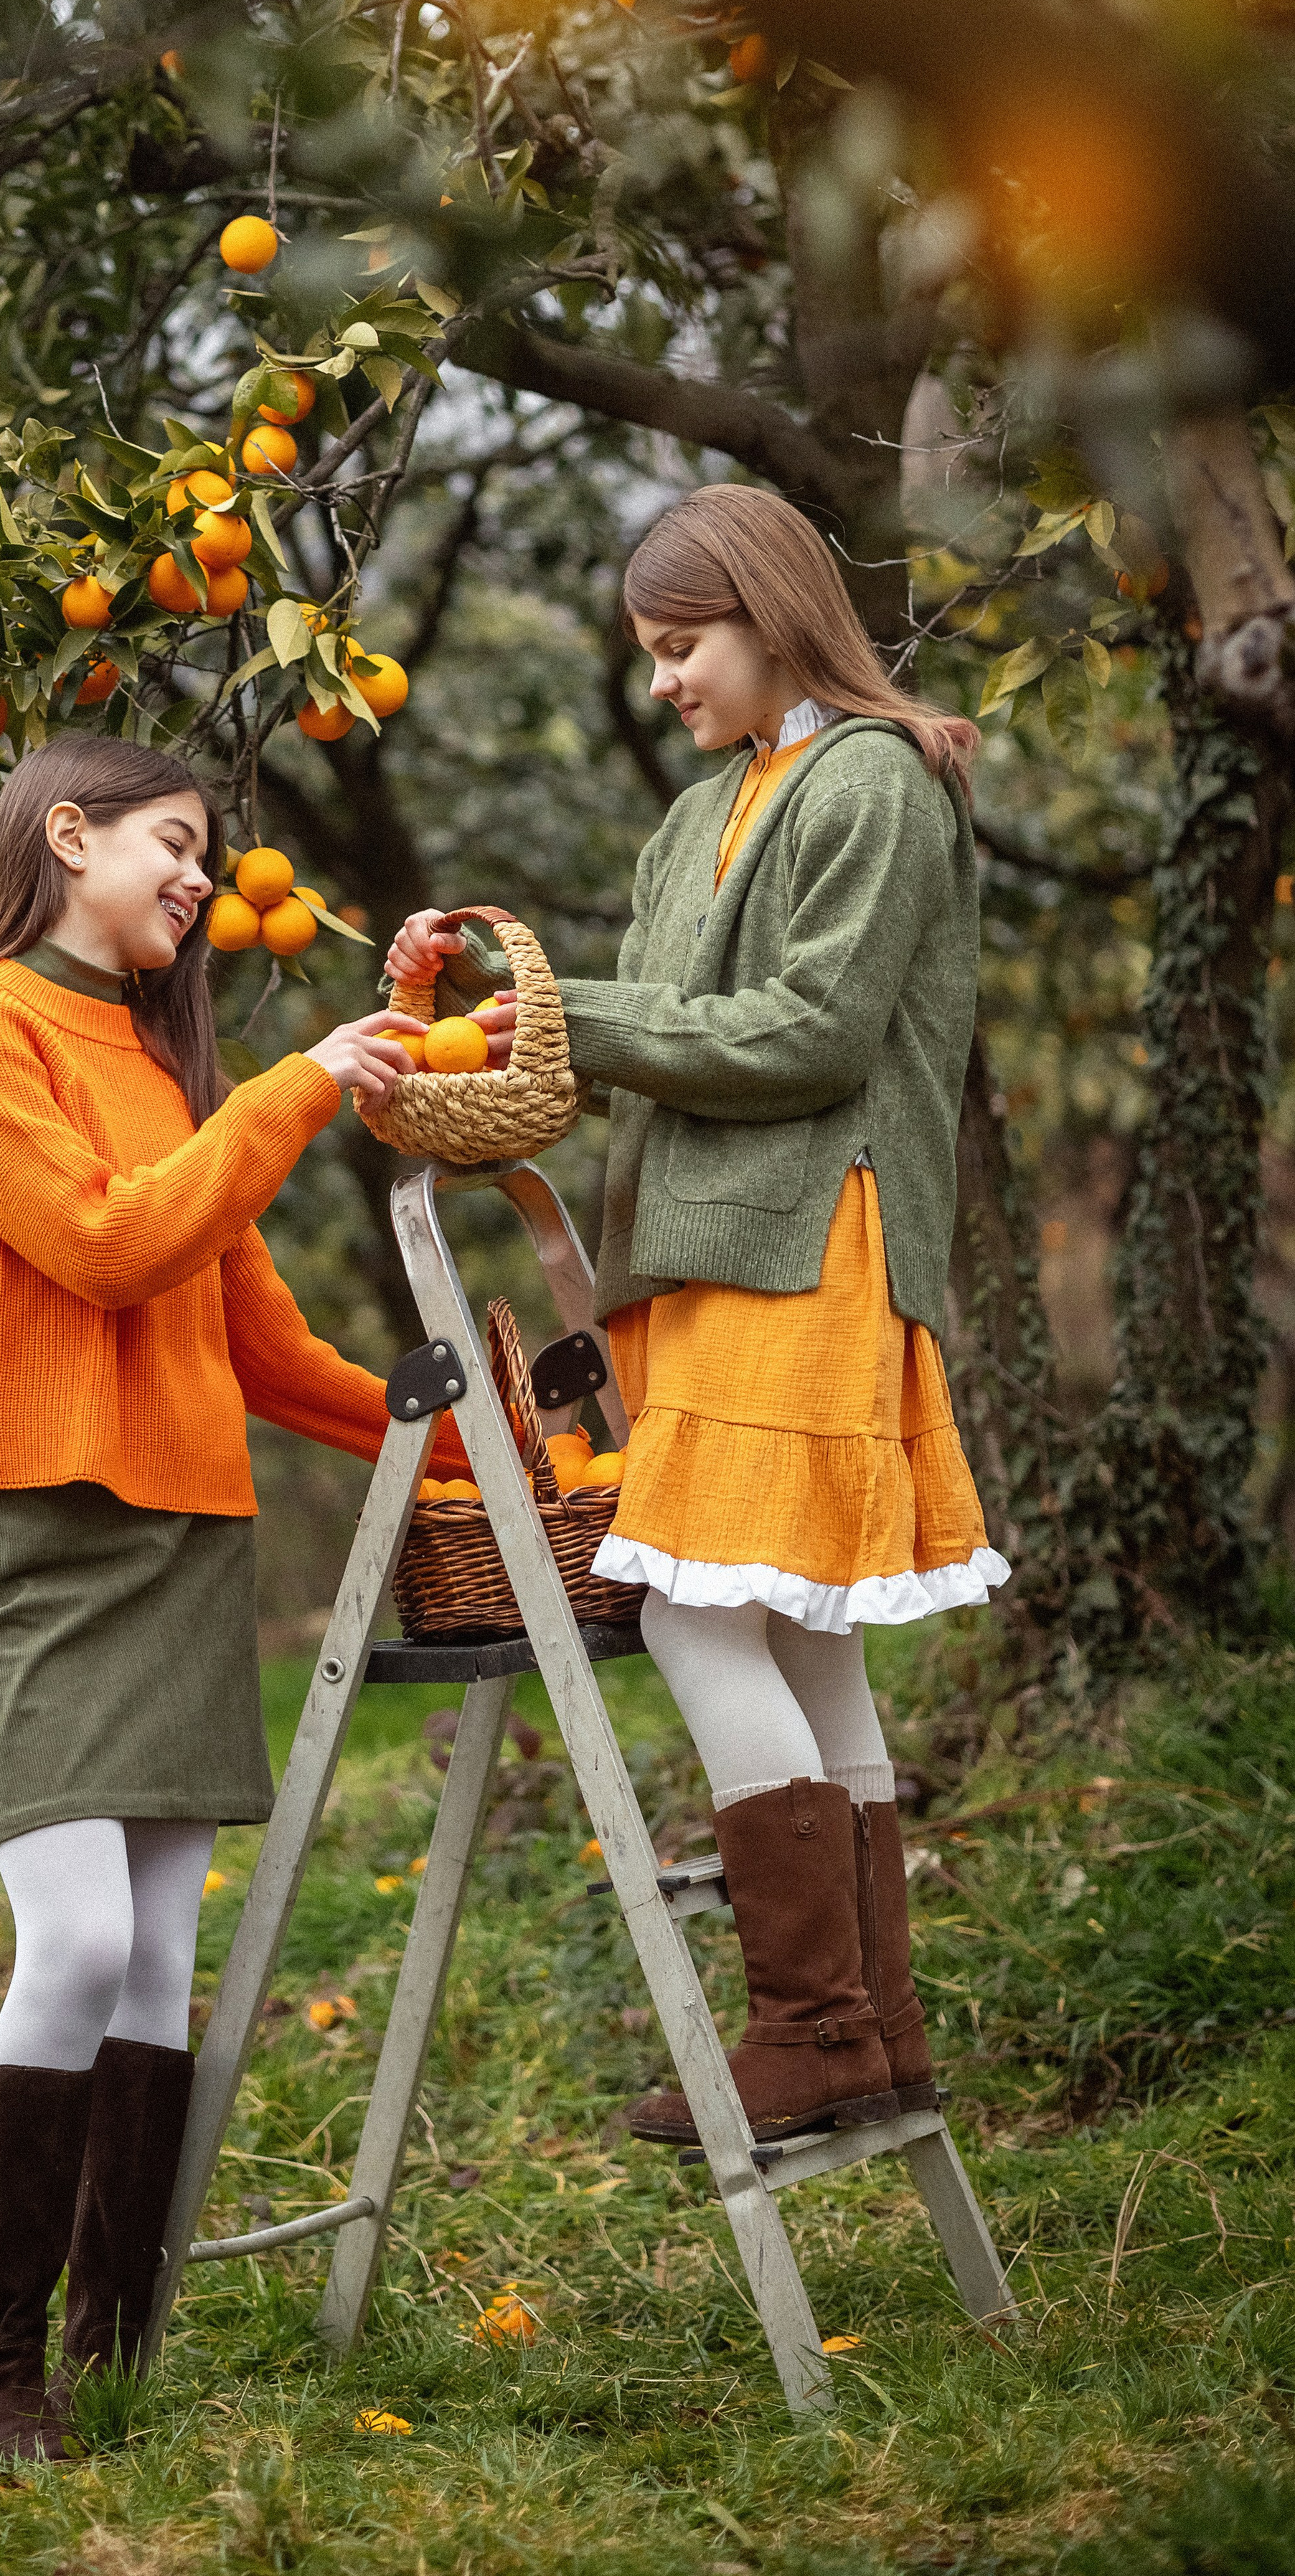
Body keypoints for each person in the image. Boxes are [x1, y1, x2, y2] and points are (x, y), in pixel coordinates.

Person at [386, 485, 1007, 2148]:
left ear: (772, 612)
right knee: (798, 1628)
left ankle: (807, 2029)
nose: (663, 680)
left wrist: (564, 1013)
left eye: (682, 647)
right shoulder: (698, 819)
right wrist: (474, 1034)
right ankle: (869, 2038)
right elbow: (664, 1045)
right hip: (708, 1254)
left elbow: (804, 1035)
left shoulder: (869, 783)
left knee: (692, 1614)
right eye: (650, 656)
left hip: (806, 1249)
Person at [0, 735, 485, 2459]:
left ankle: (113, 2352)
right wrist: (295, 1088)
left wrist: (447, 1455)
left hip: (179, 1540)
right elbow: (102, 1245)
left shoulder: (162, 1070)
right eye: (174, 843)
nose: (196, 879)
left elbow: (250, 1336)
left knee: (159, 1953)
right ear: (63, 834)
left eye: (204, 854)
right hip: (36, 1537)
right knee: (75, 1935)